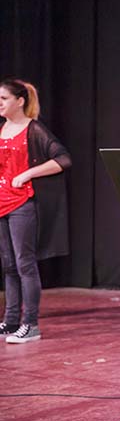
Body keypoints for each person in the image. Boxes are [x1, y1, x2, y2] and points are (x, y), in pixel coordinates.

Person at [0, 79, 72, 344]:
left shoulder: (34, 129)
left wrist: (29, 173)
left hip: (23, 203)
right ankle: (10, 320)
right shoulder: (2, 128)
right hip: (2, 202)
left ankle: (30, 324)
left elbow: (63, 159)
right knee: (8, 265)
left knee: (24, 264)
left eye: (4, 98)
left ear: (20, 101)